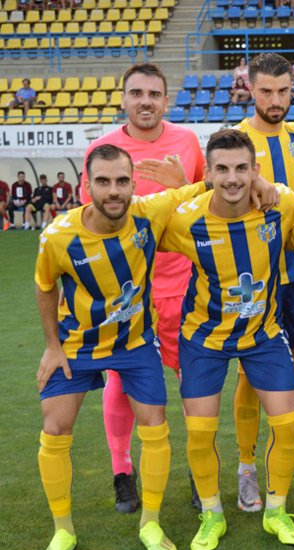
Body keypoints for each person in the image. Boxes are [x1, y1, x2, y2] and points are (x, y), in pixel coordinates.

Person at [33, 144, 210, 550]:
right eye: (104, 182)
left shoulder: (149, 211)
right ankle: (63, 531)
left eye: (122, 181)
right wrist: (53, 346)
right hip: (77, 346)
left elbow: (220, 189)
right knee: (55, 429)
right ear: (86, 185)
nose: (114, 191)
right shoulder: (58, 235)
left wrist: (184, 185)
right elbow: (44, 285)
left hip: (134, 344)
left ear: (134, 183)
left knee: (155, 425)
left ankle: (150, 523)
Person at [159, 128, 294, 550]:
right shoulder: (186, 219)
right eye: (222, 169)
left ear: (256, 170)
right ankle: (212, 515)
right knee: (200, 433)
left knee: (287, 425)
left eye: (242, 168)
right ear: (209, 173)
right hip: (203, 339)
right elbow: (136, 233)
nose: (233, 178)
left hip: (263, 335)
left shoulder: (282, 207)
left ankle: (275, 511)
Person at [81, 62, 206, 514]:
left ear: (166, 100)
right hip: (125, 293)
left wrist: (187, 185)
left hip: (184, 286)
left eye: (154, 94)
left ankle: (200, 473)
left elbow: (207, 202)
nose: (146, 101)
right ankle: (122, 472)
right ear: (124, 99)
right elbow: (88, 224)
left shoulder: (188, 143)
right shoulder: (102, 149)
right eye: (137, 93)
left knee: (192, 382)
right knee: (120, 383)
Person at [231, 52, 294, 507]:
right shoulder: (235, 140)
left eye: (283, 90)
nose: (276, 99)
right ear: (249, 88)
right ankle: (247, 468)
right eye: (266, 91)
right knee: (251, 375)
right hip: (255, 281)